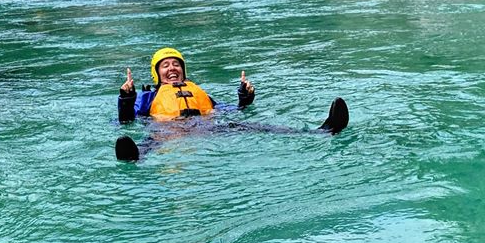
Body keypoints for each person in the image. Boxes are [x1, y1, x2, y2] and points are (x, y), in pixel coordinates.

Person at [115, 46, 348, 162]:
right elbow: (127, 121)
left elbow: (233, 110)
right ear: (157, 74)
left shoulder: (198, 91)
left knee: (253, 126)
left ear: (183, 70)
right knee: (149, 143)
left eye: (176, 64)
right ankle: (134, 157)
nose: (172, 68)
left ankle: (323, 131)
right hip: (167, 132)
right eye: (165, 65)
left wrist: (244, 98)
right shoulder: (147, 97)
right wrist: (126, 99)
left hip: (206, 128)